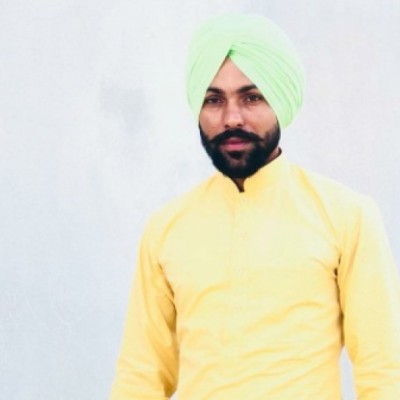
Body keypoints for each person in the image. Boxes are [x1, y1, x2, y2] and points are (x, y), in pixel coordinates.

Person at [110, 14, 400, 399]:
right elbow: (141, 376)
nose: (232, 118)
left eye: (252, 97)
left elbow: (384, 371)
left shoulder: (346, 216)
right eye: (214, 100)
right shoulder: (166, 228)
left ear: (279, 100)